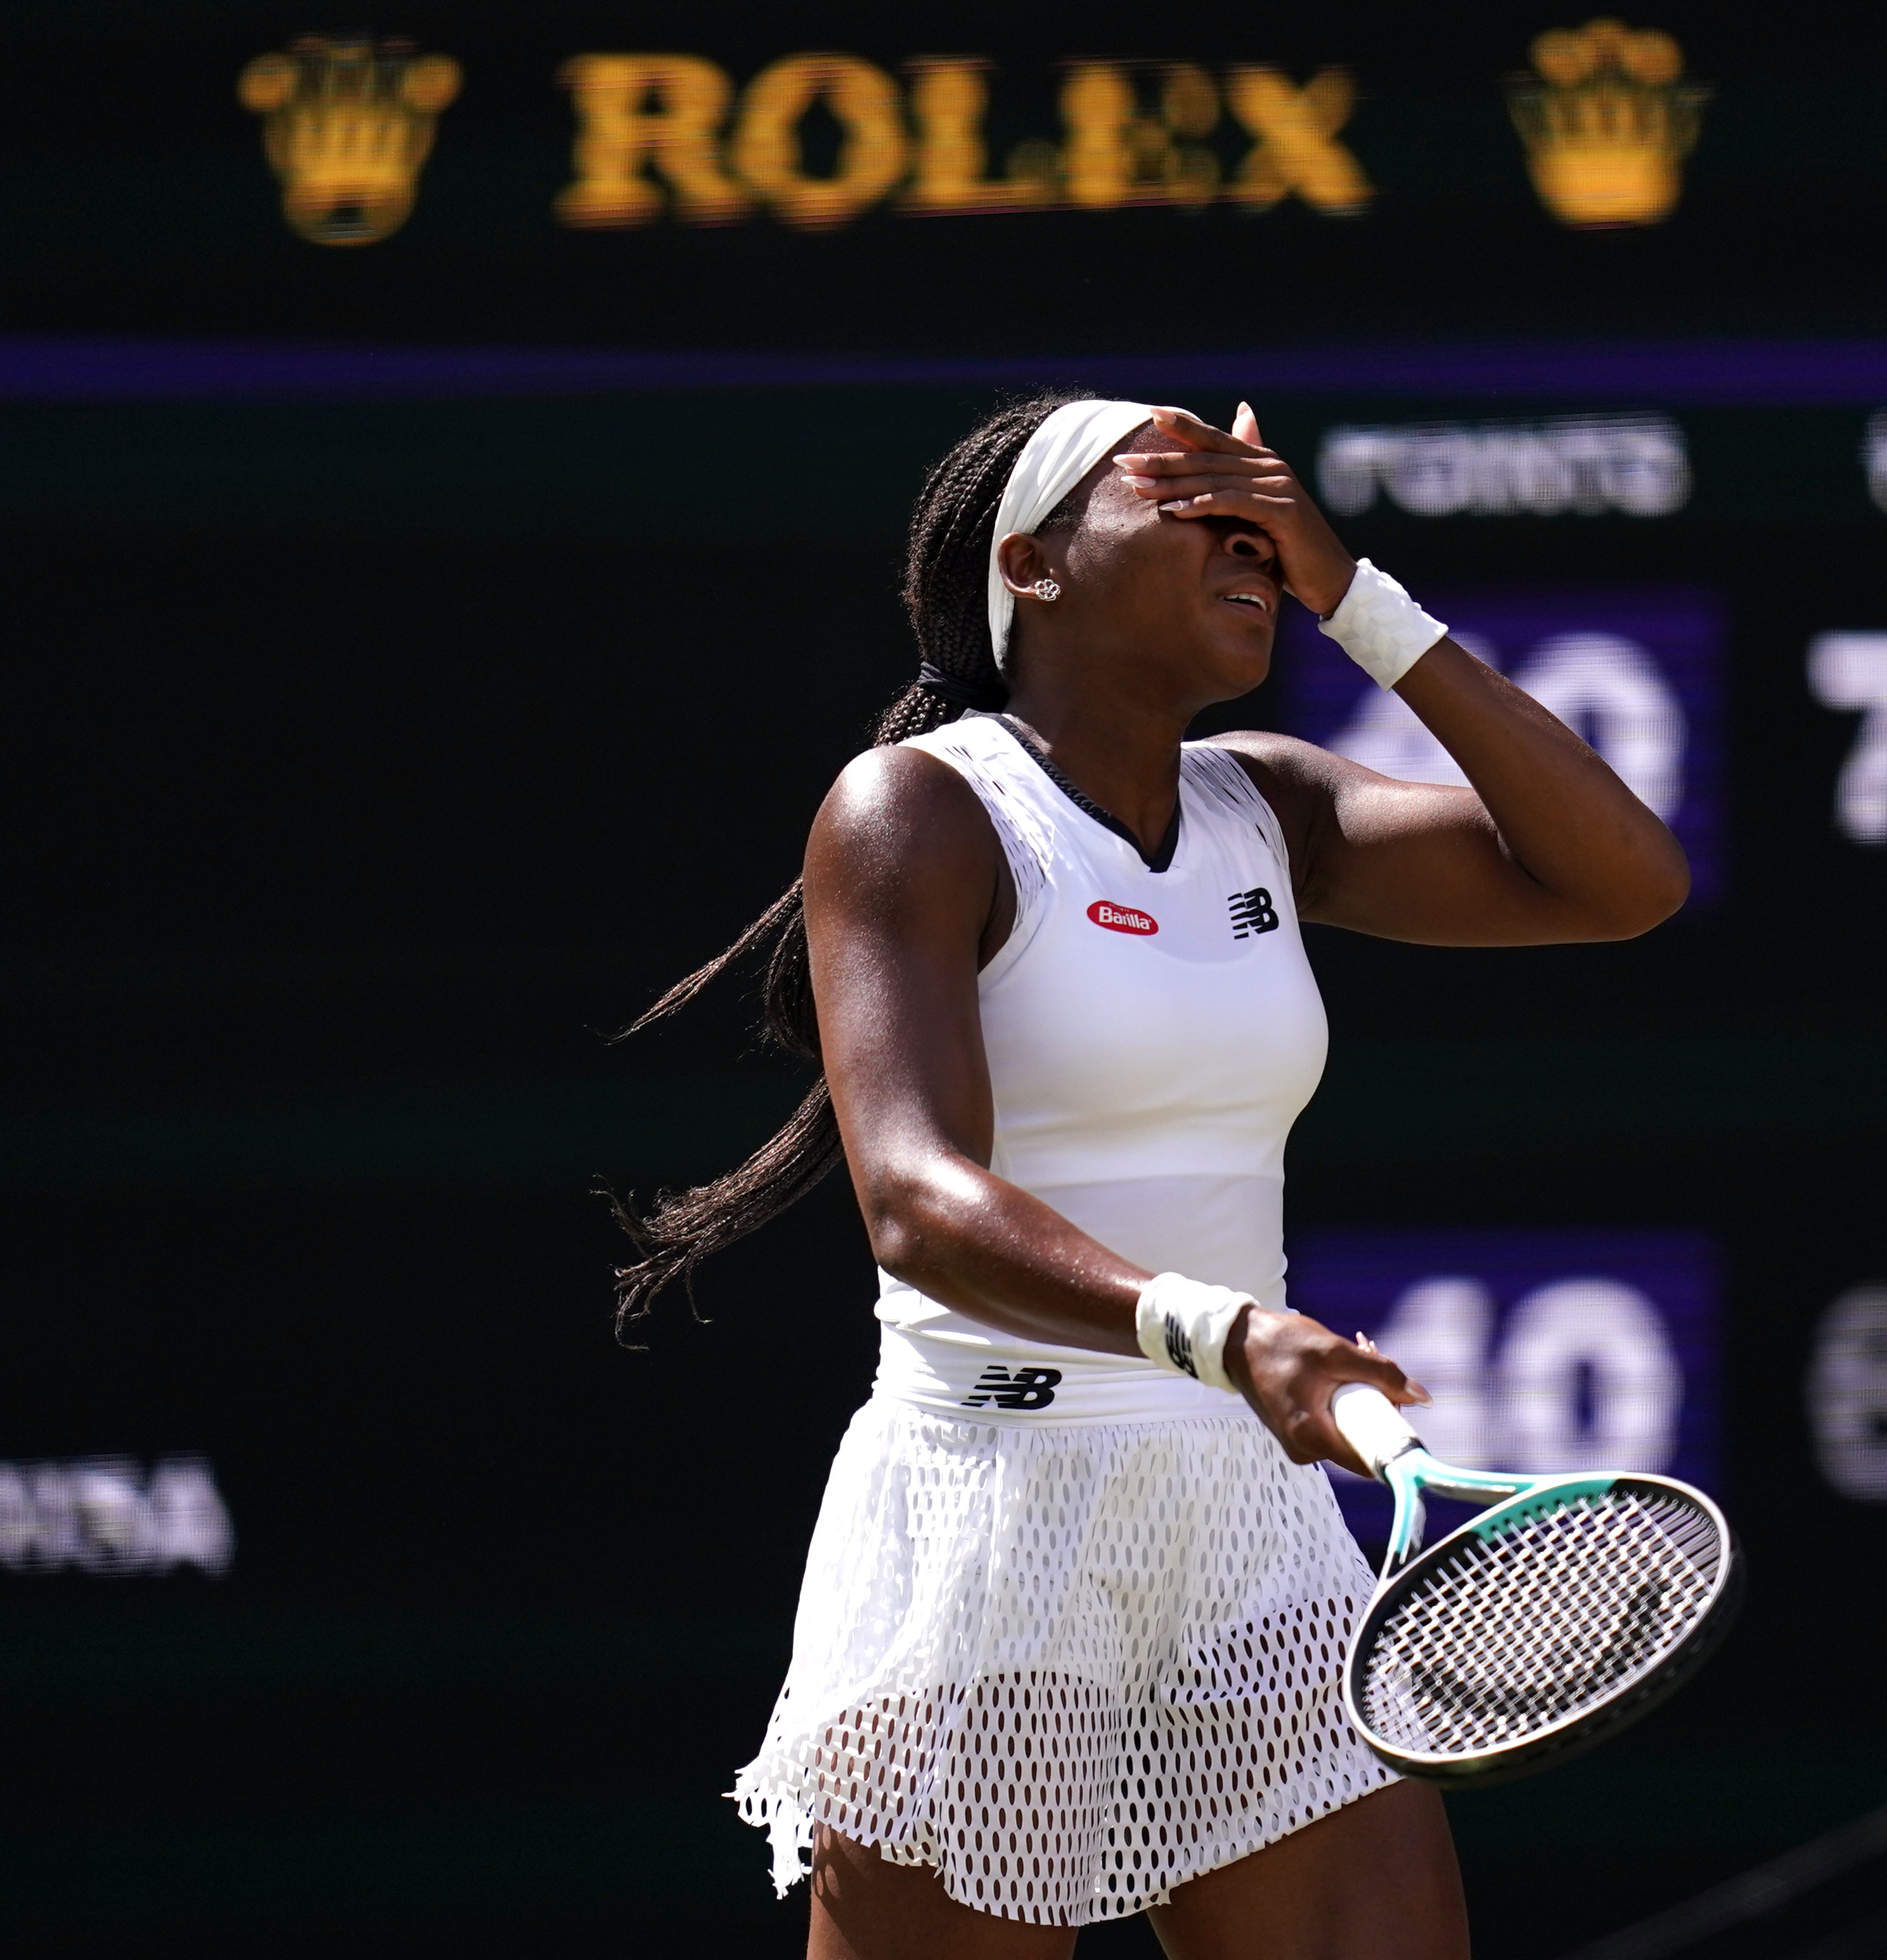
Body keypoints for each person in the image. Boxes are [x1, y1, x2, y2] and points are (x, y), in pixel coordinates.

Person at [607, 392, 1687, 1959]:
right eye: (1186, 498)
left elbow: (1625, 879)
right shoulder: (918, 808)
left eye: (1262, 509)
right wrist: (1226, 1332)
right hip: (992, 1525)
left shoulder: (1275, 804)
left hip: (1248, 1524)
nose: (1246, 530)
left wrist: (1353, 595)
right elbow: (911, 1196)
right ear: (1032, 565)